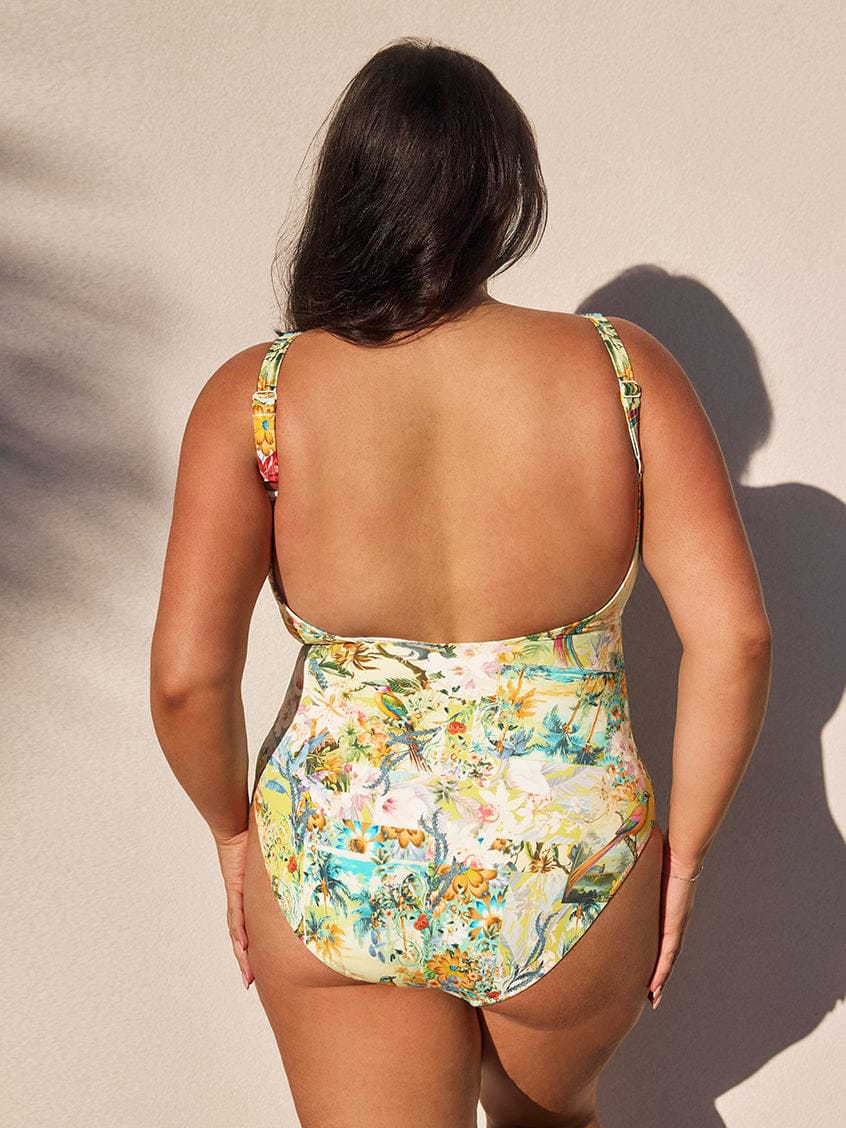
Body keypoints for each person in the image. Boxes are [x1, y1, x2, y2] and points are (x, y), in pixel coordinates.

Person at [150, 37, 772, 1128]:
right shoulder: (625, 375)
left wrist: (234, 838)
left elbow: (187, 682)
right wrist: (682, 859)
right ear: (503, 194)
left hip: (344, 851)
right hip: (572, 856)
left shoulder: (259, 395)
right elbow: (739, 640)